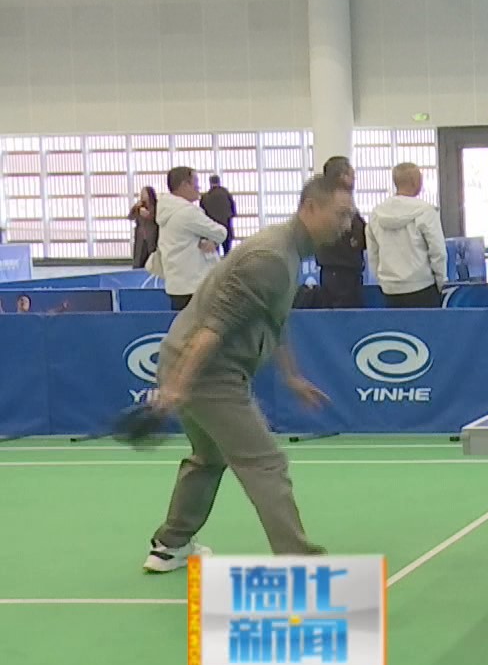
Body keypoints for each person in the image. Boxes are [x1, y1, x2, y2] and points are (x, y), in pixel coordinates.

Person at [141, 173, 355, 571]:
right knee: (266, 463)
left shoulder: (289, 252)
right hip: (206, 370)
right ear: (311, 208)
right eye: (341, 215)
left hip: (192, 362)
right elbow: (213, 329)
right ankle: (300, 563)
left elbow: (273, 318)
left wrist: (291, 376)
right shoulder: (270, 258)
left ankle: (171, 544)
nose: (347, 225)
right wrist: (178, 387)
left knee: (208, 457)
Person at [367, 162, 448, 309]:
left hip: (390, 290)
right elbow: (438, 251)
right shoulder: (426, 212)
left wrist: (382, 280)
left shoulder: (376, 214)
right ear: (414, 181)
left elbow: (373, 253)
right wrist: (441, 281)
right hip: (423, 286)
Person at [156, 166, 227, 311]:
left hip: (176, 285)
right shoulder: (187, 213)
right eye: (195, 182)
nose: (198, 187)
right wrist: (213, 241)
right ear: (184, 185)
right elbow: (220, 232)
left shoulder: (166, 210)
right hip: (194, 286)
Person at [312, 157, 367, 308]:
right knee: (343, 314)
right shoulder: (335, 204)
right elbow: (352, 233)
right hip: (340, 270)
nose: (354, 179)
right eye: (351, 175)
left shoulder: (330, 200)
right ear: (342, 176)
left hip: (342, 269)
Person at [199, 174, 236, 254]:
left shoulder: (205, 196)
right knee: (227, 250)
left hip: (212, 227)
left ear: (210, 182)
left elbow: (202, 212)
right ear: (219, 182)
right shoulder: (225, 193)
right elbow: (233, 208)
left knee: (215, 251)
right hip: (226, 225)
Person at [129, 186, 160, 271]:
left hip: (152, 235)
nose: (142, 195)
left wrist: (148, 215)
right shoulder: (139, 206)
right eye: (142, 193)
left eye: (144, 193)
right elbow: (130, 217)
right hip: (140, 237)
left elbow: (157, 219)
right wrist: (136, 207)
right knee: (139, 258)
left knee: (151, 256)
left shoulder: (156, 205)